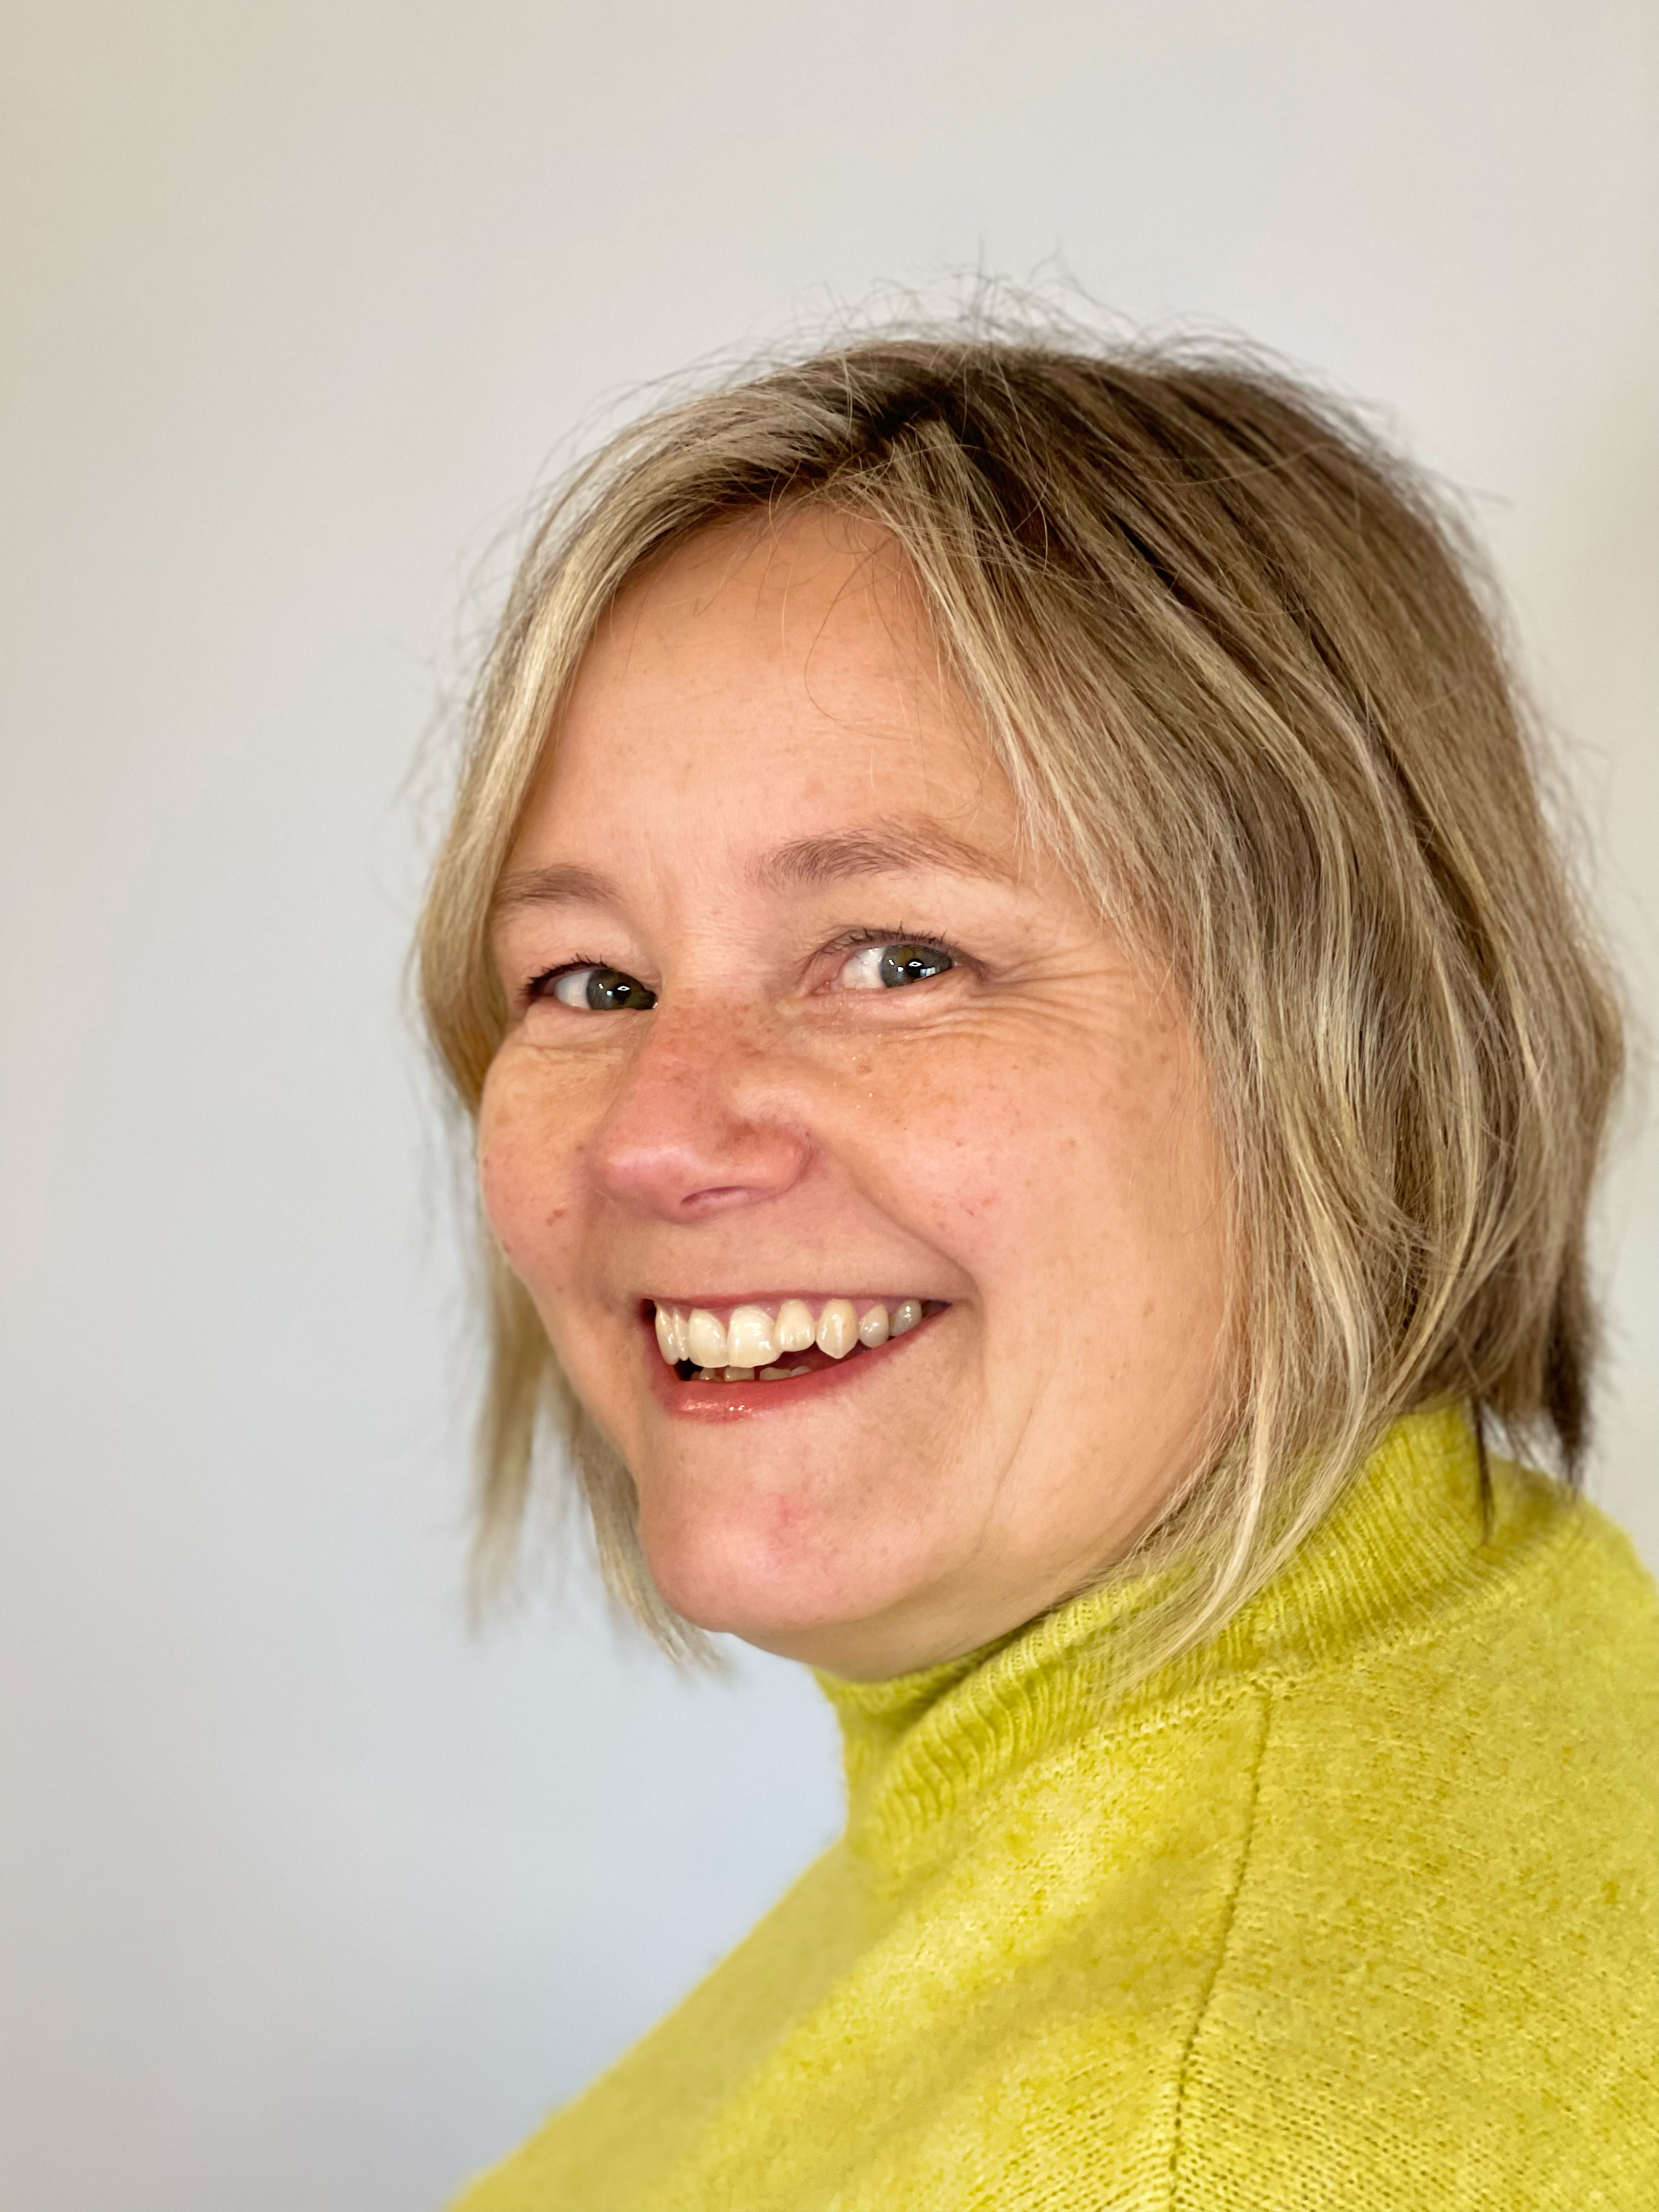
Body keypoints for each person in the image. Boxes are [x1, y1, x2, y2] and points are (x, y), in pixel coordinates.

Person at [418, 323, 1659, 2210]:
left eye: (901, 959)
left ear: (1352, 1047)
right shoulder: (1472, 1673)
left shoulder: (1172, 2138)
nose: (654, 1136)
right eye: (592, 981)